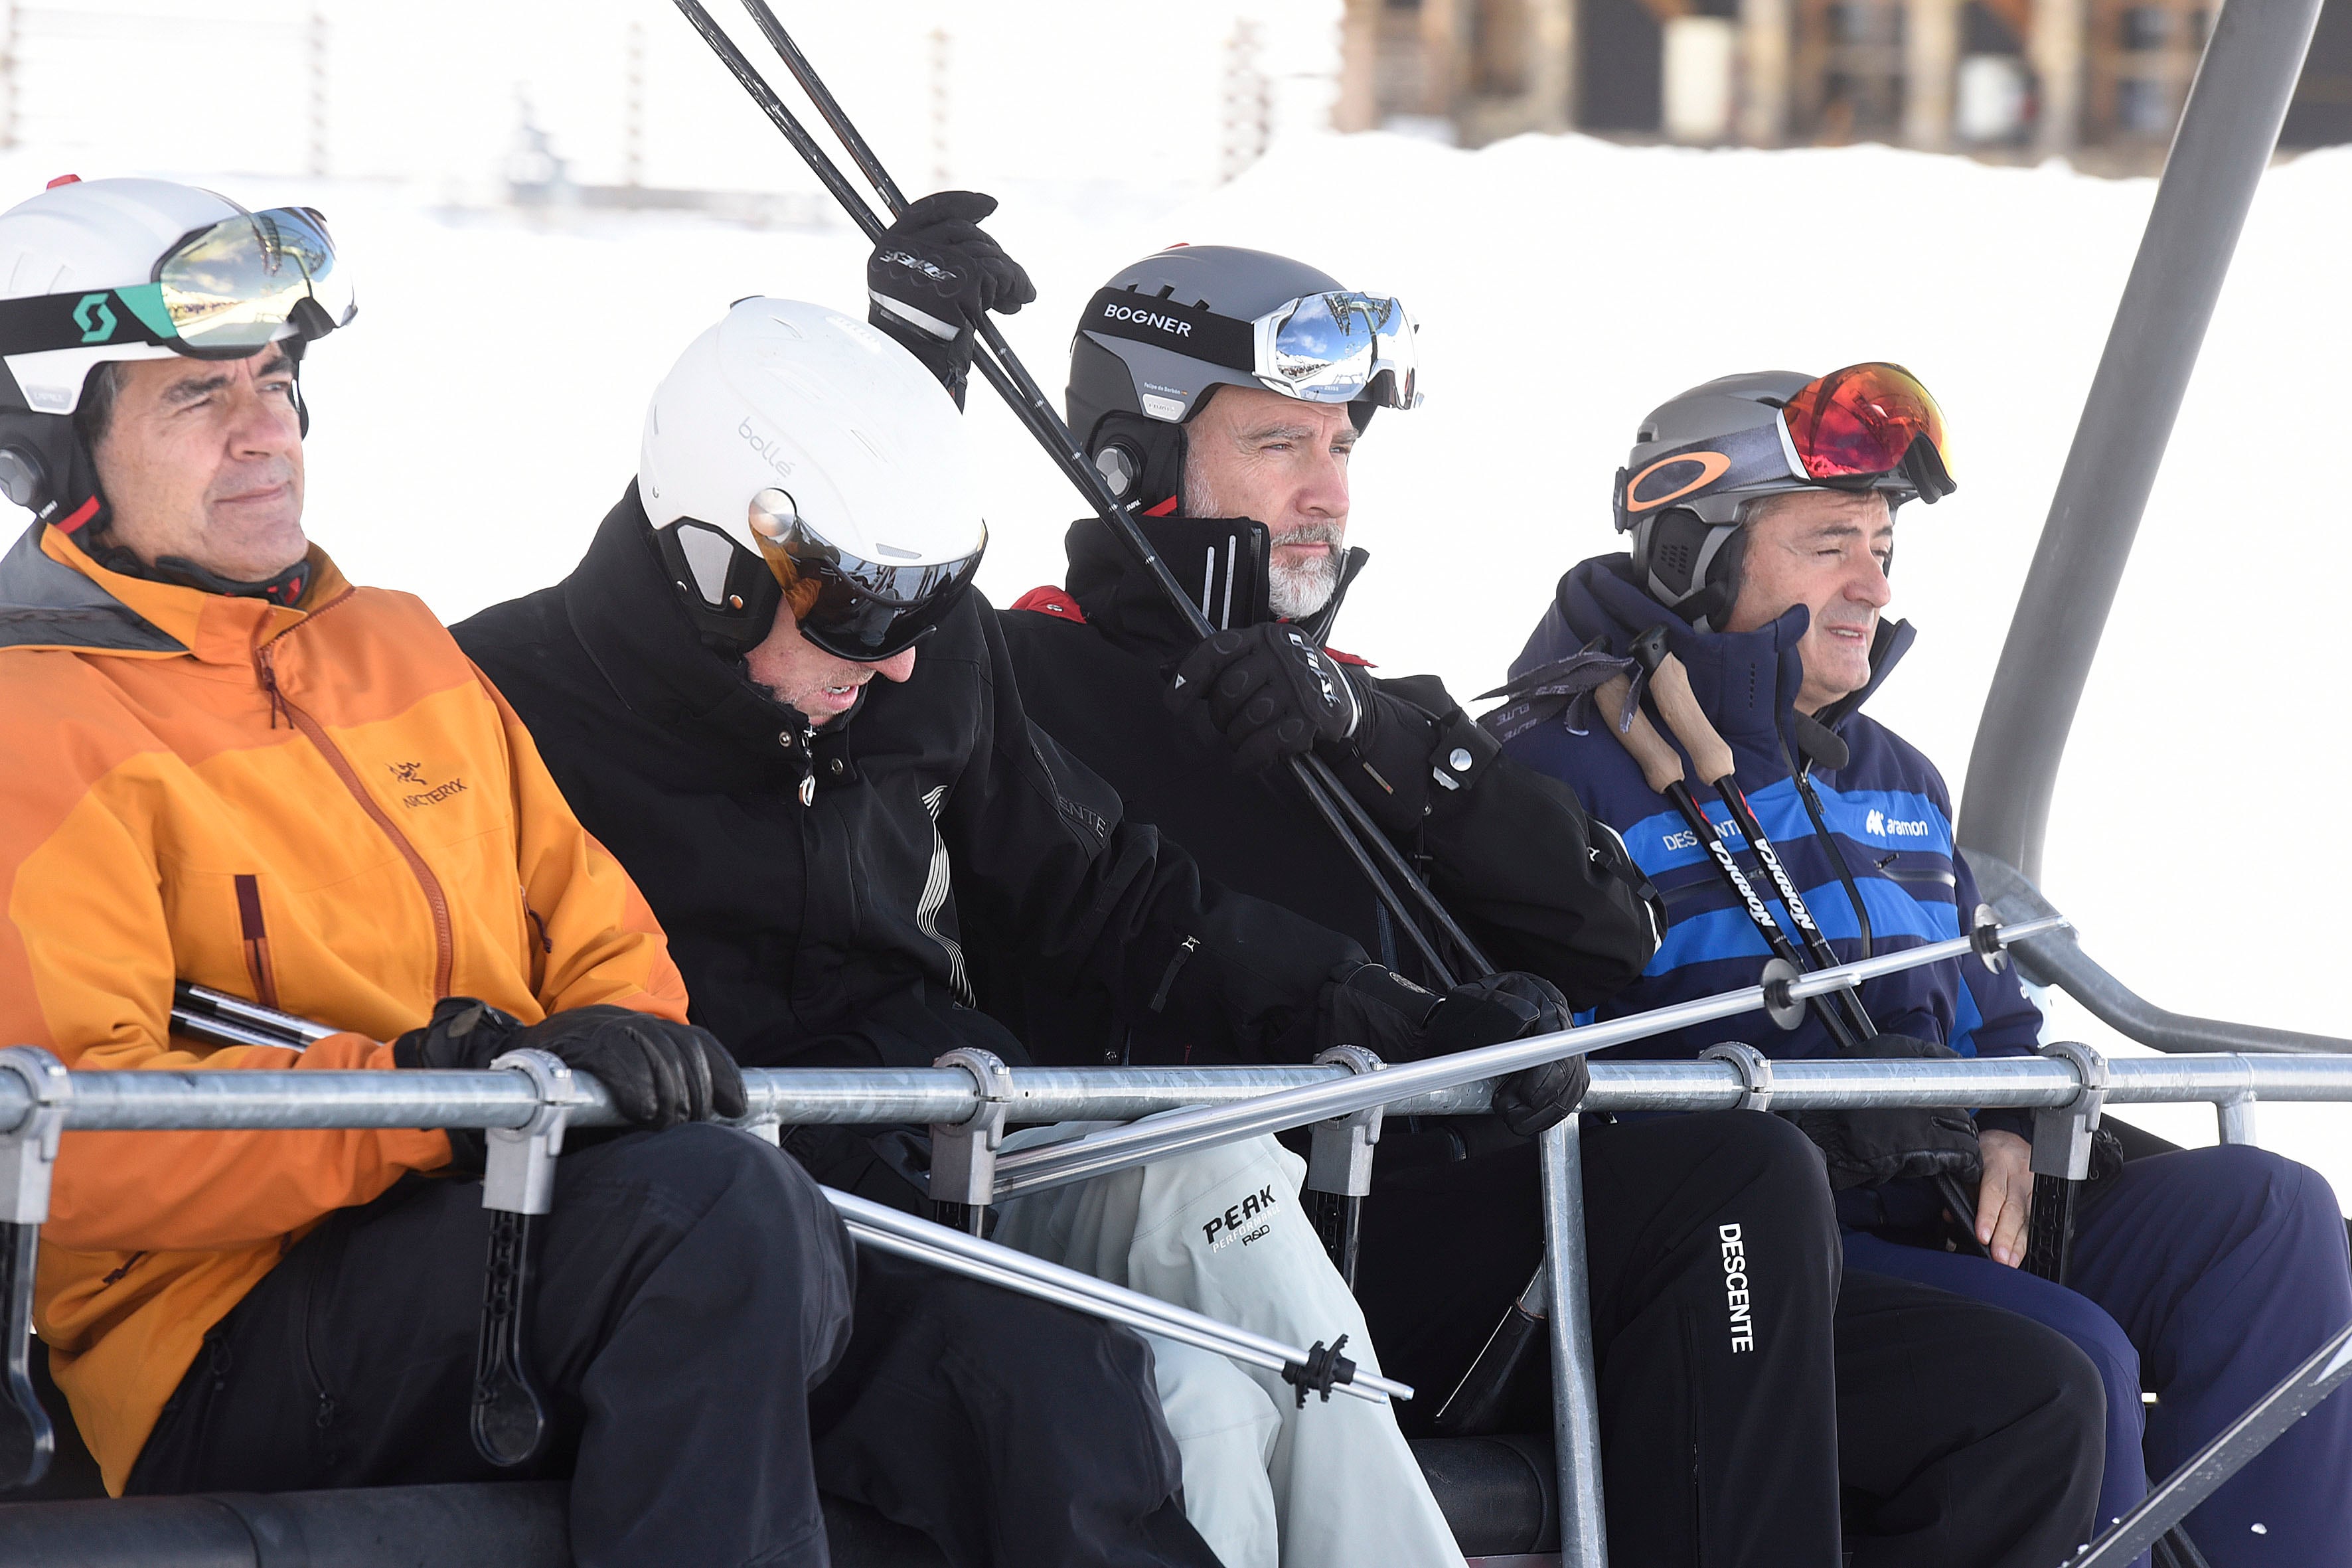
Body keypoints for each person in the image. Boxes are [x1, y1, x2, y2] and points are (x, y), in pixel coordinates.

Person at [0, 175, 1222, 1568]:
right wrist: (428, 1098)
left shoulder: (389, 647)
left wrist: (596, 1054)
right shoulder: (38, 720)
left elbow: (595, 930)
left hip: (508, 1221)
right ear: (63, 446)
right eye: (193, 400)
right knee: (715, 1216)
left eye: (276, 381)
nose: (265, 431)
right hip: (221, 1338)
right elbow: (79, 1137)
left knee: (1009, 1340)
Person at [449, 251, 1597, 1565]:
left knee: (1219, 1176)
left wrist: (1390, 1015)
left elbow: (1115, 897)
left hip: (956, 1142)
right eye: (869, 606)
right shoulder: (505, 696)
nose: (901, 657)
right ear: (718, 564)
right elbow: (425, 976)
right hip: (759, 1201)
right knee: (1196, 1406)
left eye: (937, 593)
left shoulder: (921, 660)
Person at [983, 249, 2110, 1568]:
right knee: (1734, 1173)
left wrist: (1384, 742)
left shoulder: (1372, 707)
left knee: (2022, 1399)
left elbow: (1602, 923)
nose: (1325, 493)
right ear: (1128, 460)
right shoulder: (1020, 674)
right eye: (1277, 442)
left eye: (1341, 447)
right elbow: (1072, 881)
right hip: (1225, 1229)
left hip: (1433, 1238)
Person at [1497, 360, 2352, 1567]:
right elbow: (1545, 1084)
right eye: (1830, 542)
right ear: (1693, 549)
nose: (1872, 585)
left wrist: (2004, 1114)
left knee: (2269, 1217)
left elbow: (1990, 1026)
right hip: (1769, 1256)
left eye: (1884, 546)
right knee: (2074, 1357)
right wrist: (1821, 1129)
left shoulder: (1893, 777)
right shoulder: (1557, 771)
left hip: (1950, 1199)